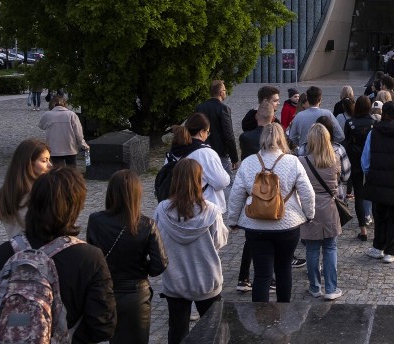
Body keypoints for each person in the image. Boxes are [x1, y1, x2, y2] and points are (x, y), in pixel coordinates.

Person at [0, 167, 117, 342]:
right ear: (75, 207)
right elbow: (103, 326)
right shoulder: (89, 258)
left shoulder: (3, 254)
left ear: (33, 203)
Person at [227, 123, 316, 303]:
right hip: (287, 224)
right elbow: (307, 193)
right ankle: (285, 312)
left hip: (255, 226)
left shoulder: (248, 162)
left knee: (261, 275)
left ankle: (260, 318)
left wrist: (233, 220)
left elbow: (236, 195)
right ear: (282, 138)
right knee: (284, 270)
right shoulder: (292, 162)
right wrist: (309, 215)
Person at [87, 170, 168, 344]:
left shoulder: (95, 221)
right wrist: (142, 267)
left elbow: (93, 260)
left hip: (107, 292)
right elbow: (160, 264)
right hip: (136, 294)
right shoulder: (147, 225)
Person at [154, 159, 227, 344]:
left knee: (177, 332)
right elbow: (219, 242)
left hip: (175, 282)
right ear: (199, 180)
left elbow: (157, 242)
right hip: (207, 281)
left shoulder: (161, 210)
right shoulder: (211, 211)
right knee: (213, 332)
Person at [362, 102, 394, 264]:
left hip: (378, 179)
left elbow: (365, 159)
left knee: (380, 215)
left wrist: (370, 173)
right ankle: (391, 251)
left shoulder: (374, 132)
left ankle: (378, 247)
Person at [298, 124, 344, 300]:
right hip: (330, 207)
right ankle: (331, 288)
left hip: (310, 208)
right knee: (331, 247)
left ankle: (314, 287)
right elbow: (340, 180)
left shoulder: (302, 161)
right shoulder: (335, 160)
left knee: (312, 249)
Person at [235, 102, 274, 292]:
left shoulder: (245, 138)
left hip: (251, 192)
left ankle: (243, 277)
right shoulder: (277, 137)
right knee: (273, 236)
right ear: (273, 118)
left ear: (257, 117)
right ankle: (270, 277)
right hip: (272, 192)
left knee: (251, 238)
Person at [168, 113, 230, 215]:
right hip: (204, 210)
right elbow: (221, 182)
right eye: (208, 132)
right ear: (201, 132)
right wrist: (226, 176)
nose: (207, 136)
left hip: (176, 207)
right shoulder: (206, 153)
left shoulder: (173, 151)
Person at [0, 138, 52, 238]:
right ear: (29, 163)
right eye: (44, 161)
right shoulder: (30, 194)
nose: (50, 165)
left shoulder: (8, 190)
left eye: (49, 160)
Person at [342, 96, 375, 241]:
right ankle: (373, 219)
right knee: (373, 193)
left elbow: (346, 141)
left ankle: (363, 229)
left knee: (359, 195)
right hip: (370, 162)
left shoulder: (350, 123)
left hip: (355, 161)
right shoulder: (373, 123)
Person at [195, 80, 239, 173]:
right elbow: (229, 135)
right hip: (219, 152)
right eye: (225, 90)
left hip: (201, 150)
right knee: (227, 182)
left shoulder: (200, 107)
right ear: (221, 92)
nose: (225, 92)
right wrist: (234, 158)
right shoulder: (223, 109)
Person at [38, 95, 89, 167]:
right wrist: (83, 144)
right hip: (70, 147)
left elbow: (41, 126)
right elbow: (78, 133)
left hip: (54, 148)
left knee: (57, 170)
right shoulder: (71, 114)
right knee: (72, 170)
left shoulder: (47, 115)